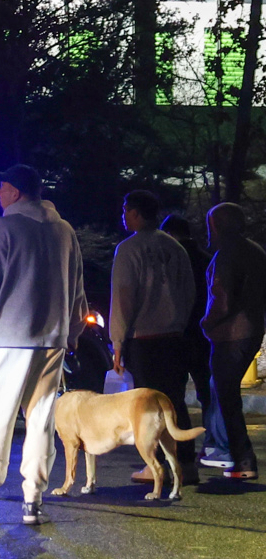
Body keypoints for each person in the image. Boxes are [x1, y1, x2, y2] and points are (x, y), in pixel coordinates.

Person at [0, 165, 85, 528]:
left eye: (2, 188)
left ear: (16, 192)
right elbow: (77, 286)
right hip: (52, 341)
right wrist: (72, 330)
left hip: (9, 339)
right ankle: (34, 502)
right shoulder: (64, 230)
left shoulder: (3, 228)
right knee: (41, 422)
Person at [110, 189, 201, 488]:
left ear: (135, 213)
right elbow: (189, 292)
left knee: (149, 405)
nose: (123, 216)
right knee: (173, 401)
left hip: (144, 336)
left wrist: (118, 341)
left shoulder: (129, 249)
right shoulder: (175, 247)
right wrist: (180, 322)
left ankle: (156, 464)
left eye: (126, 210)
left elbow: (124, 298)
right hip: (174, 335)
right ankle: (185, 463)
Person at [201, 203, 266, 481]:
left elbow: (222, 296)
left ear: (217, 225)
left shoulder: (226, 253)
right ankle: (234, 455)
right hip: (252, 329)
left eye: (210, 225)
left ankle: (242, 459)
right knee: (224, 393)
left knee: (226, 397)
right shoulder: (255, 250)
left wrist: (206, 322)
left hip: (230, 333)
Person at [159, 213, 221, 466]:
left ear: (170, 235)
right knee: (208, 392)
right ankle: (212, 445)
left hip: (178, 333)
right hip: (204, 334)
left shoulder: (170, 259)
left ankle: (180, 446)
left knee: (175, 393)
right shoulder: (207, 260)